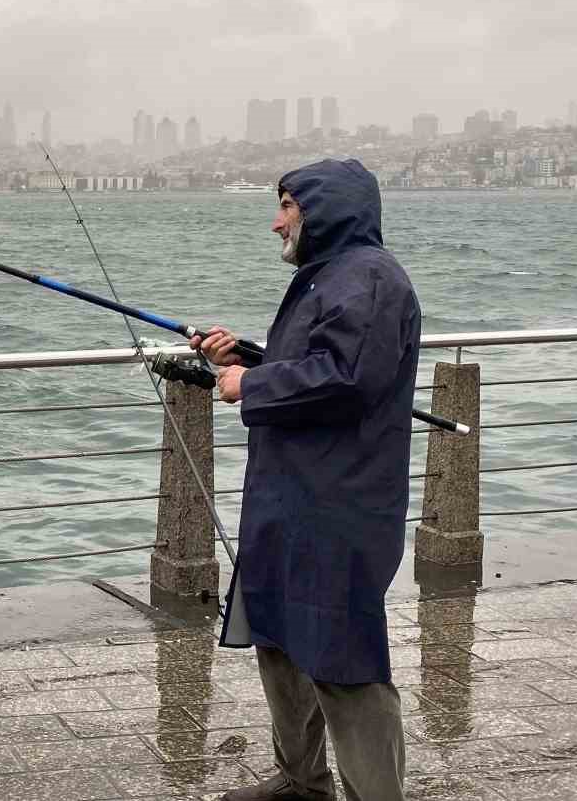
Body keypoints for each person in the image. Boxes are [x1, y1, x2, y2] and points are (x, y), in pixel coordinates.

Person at [189, 158, 420, 801]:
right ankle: (301, 782)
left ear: (325, 210)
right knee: (281, 639)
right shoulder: (329, 278)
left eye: (287, 206)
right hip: (288, 496)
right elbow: (315, 362)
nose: (275, 222)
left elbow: (348, 379)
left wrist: (251, 384)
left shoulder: (370, 279)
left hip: (338, 504)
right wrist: (248, 358)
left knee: (344, 657)